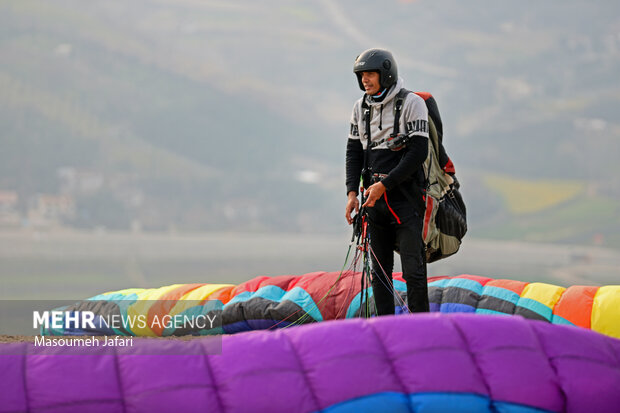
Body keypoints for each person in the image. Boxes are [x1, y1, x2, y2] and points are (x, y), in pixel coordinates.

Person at [345, 48, 430, 315]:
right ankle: (384, 330)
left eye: (370, 74)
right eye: (361, 76)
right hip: (373, 203)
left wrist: (386, 185)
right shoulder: (360, 108)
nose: (365, 80)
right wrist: (351, 193)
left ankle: (423, 328)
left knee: (413, 272)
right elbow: (354, 152)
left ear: (386, 73)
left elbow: (418, 152)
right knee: (379, 272)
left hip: (406, 201)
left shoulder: (412, 103)